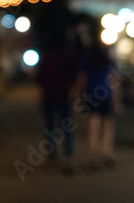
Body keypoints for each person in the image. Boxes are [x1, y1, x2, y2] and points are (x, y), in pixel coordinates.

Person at [36, 33, 78, 170]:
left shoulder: (45, 57)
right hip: (63, 95)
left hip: (48, 96)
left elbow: (39, 78)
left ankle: (52, 153)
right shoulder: (66, 57)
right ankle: (68, 153)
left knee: (50, 126)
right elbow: (72, 77)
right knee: (65, 126)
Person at [77, 37, 120, 169]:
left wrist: (80, 96)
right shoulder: (109, 62)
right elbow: (114, 82)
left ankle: (94, 154)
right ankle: (106, 153)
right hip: (106, 96)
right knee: (108, 126)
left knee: (93, 126)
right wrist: (117, 100)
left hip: (91, 96)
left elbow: (82, 79)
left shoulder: (87, 62)